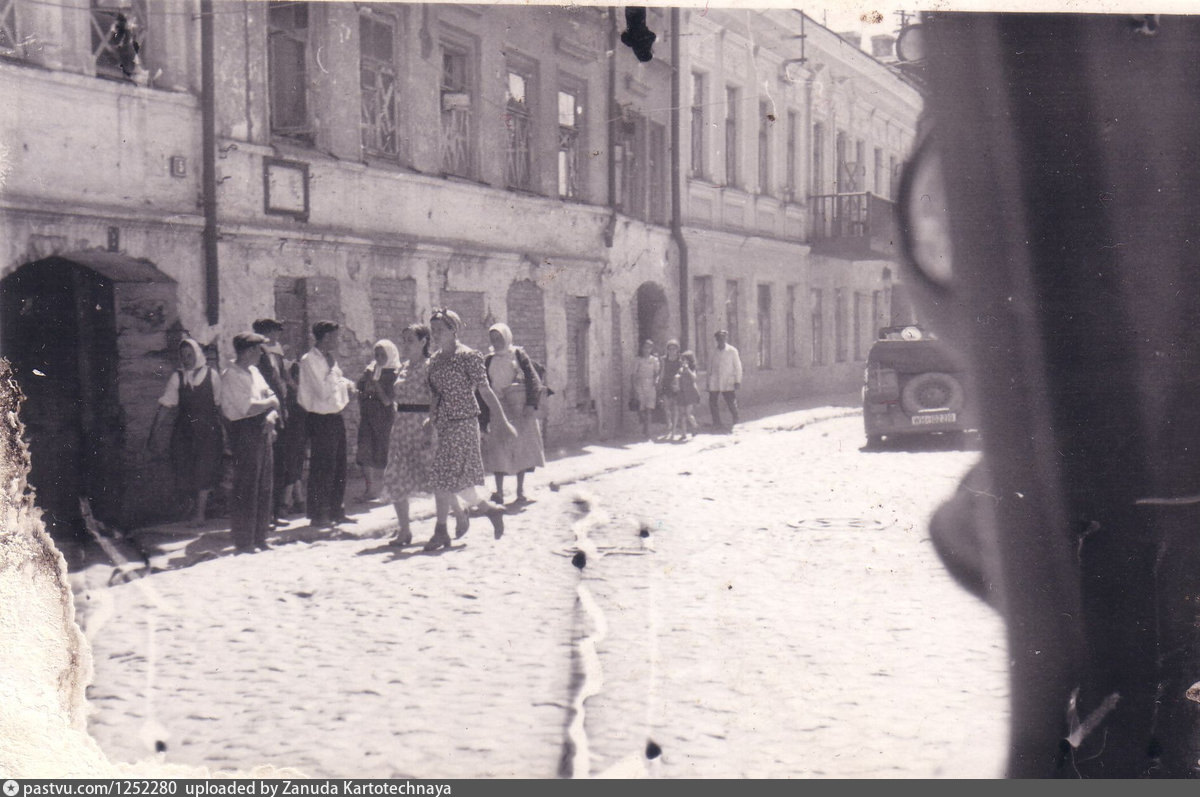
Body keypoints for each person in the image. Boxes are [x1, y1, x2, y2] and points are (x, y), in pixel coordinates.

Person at [422, 308, 514, 551]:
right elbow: (435, 394)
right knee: (448, 479)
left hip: (464, 422)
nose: (435, 334)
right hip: (444, 422)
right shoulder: (434, 360)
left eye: (440, 330)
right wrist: (431, 419)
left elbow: (485, 391)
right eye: (433, 330)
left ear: (454, 330)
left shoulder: (469, 357)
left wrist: (502, 421)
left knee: (447, 478)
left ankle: (442, 530)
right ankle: (487, 510)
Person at [149, 338, 224, 525]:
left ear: (198, 354)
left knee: (205, 469)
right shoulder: (178, 377)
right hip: (185, 432)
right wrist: (154, 432)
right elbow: (166, 405)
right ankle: (192, 509)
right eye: (183, 356)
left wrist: (228, 429)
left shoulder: (211, 375)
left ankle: (200, 514)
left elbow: (221, 404)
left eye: (190, 355)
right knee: (184, 467)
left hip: (208, 430)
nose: (187, 359)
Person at [219, 332, 280, 554]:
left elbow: (270, 396)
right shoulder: (231, 376)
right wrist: (270, 404)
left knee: (264, 484)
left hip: (263, 427)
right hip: (243, 431)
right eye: (257, 350)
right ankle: (245, 541)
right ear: (247, 351)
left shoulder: (254, 372)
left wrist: (272, 415)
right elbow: (248, 407)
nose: (260, 354)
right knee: (247, 485)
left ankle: (260, 537)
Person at [298, 320, 357, 529]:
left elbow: (339, 380)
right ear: (324, 337)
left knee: (339, 465)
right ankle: (319, 513)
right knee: (323, 466)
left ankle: (336, 510)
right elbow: (322, 391)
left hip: (335, 415)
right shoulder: (309, 360)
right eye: (333, 336)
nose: (336, 340)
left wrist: (348, 384)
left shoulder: (329, 359)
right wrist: (334, 375)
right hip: (320, 418)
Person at [480, 322, 546, 506]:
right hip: (498, 409)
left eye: (499, 338)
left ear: (507, 337)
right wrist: (483, 419)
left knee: (521, 449)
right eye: (493, 339)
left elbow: (533, 379)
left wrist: (531, 404)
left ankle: (520, 491)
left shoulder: (518, 355)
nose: (496, 342)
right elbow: (483, 389)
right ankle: (499, 492)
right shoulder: (488, 360)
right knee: (498, 451)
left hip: (519, 408)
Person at [252, 318, 292, 524]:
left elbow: (281, 385)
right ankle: (265, 515)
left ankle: (275, 512)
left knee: (280, 464)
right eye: (273, 332)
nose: (276, 336)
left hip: (278, 414)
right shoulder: (257, 358)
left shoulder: (274, 356)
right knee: (267, 465)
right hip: (265, 416)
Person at [354, 339, 400, 502]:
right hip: (368, 416)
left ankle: (385, 491)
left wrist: (375, 382)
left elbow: (387, 400)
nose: (379, 358)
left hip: (384, 418)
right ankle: (370, 490)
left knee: (383, 451)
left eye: (383, 355)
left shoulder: (394, 374)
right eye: (377, 354)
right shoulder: (370, 370)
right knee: (364, 451)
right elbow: (359, 389)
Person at [278, 359, 307, 517]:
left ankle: (285, 502)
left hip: (297, 431)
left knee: (293, 463)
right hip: (293, 431)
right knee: (294, 463)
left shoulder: (297, 392)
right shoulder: (292, 392)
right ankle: (299, 500)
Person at [707, 329, 743, 431]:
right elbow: (709, 367)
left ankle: (736, 421)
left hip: (728, 380)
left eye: (723, 338)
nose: (721, 340)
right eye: (719, 338)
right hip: (715, 380)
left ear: (726, 338)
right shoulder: (713, 351)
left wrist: (737, 381)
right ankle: (716, 422)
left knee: (731, 402)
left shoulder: (732, 351)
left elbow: (738, 367)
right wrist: (708, 383)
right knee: (712, 402)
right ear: (716, 339)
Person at [630, 339, 660, 440]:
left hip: (650, 385)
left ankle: (648, 431)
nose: (647, 350)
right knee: (640, 408)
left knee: (649, 408)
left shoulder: (654, 360)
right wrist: (633, 387)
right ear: (642, 348)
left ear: (651, 349)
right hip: (640, 384)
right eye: (645, 347)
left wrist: (656, 381)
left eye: (649, 347)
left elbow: (657, 373)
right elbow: (633, 374)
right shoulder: (638, 360)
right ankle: (644, 424)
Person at [657, 339, 684, 441]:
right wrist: (659, 383)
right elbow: (662, 372)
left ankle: (673, 431)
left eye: (674, 349)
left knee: (675, 409)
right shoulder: (664, 359)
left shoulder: (680, 360)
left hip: (676, 385)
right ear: (667, 350)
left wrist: (678, 379)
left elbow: (681, 372)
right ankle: (669, 422)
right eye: (670, 349)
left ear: (677, 349)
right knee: (666, 408)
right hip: (666, 384)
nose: (672, 351)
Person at [676, 350, 702, 440]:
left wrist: (688, 370)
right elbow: (677, 377)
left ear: (689, 361)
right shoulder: (680, 369)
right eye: (682, 360)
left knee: (688, 413)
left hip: (690, 393)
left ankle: (695, 426)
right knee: (682, 414)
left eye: (685, 360)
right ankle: (683, 434)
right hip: (682, 393)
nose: (683, 361)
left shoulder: (692, 369)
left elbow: (694, 378)